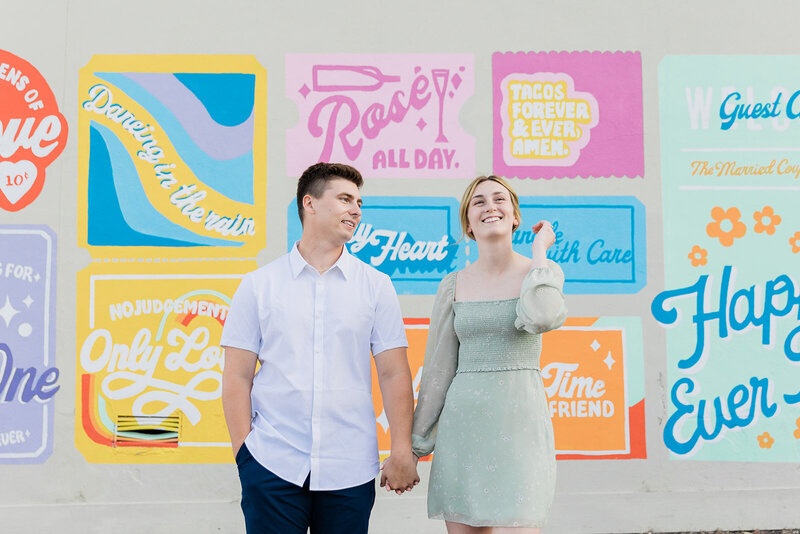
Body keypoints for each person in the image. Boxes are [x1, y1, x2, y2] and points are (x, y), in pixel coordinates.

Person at [221, 162, 420, 534]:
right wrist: (244, 454)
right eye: (345, 198)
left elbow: (394, 373)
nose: (356, 209)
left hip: (350, 467)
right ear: (309, 204)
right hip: (271, 463)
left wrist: (401, 448)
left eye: (359, 201)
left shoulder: (376, 286)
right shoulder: (258, 285)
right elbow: (236, 375)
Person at [411, 175, 567, 533]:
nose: (489, 206)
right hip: (462, 434)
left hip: (520, 432)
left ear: (515, 216)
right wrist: (414, 447)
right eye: (478, 202)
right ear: (468, 221)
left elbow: (543, 315)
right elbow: (437, 371)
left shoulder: (541, 273)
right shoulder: (453, 284)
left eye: (499, 199)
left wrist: (540, 251)